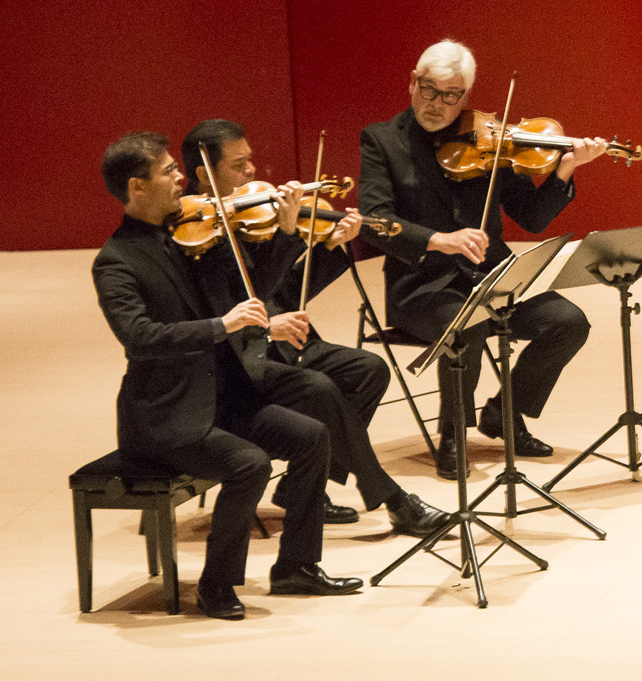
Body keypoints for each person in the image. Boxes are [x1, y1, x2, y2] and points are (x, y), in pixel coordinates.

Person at [92, 133, 360, 620]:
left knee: (311, 435)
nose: (182, 179)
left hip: (220, 397)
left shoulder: (193, 237)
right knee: (249, 463)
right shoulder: (116, 262)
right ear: (136, 186)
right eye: (169, 171)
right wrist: (222, 325)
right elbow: (139, 337)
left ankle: (296, 568)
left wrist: (285, 230)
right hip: (166, 416)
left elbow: (254, 287)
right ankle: (216, 585)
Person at [181, 119, 447, 537]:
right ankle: (391, 497)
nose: (253, 172)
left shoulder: (247, 215)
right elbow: (217, 309)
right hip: (236, 359)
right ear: (203, 174)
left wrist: (333, 247)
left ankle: (305, 486)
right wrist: (269, 321)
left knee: (368, 370)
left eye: (251, 160)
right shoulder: (194, 234)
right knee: (318, 388)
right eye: (239, 164)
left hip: (279, 343)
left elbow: (286, 291)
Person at [359, 40, 605, 479]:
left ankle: (503, 412)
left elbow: (529, 218)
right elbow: (375, 221)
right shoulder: (382, 141)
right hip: (423, 287)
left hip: (493, 279)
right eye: (429, 90)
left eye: (450, 95)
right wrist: (439, 240)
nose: (437, 104)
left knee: (568, 322)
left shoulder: (489, 139)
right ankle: (453, 434)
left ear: (465, 97)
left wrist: (565, 170)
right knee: (465, 325)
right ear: (412, 83)